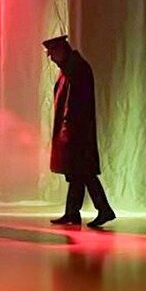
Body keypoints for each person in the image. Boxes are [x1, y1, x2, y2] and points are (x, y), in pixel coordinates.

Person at [44, 35, 116, 227]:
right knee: (78, 174)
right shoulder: (71, 67)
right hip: (75, 131)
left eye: (52, 53)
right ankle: (73, 212)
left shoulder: (76, 69)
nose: (51, 58)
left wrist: (66, 132)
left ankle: (103, 209)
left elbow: (74, 105)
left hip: (77, 133)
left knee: (84, 173)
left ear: (61, 50)